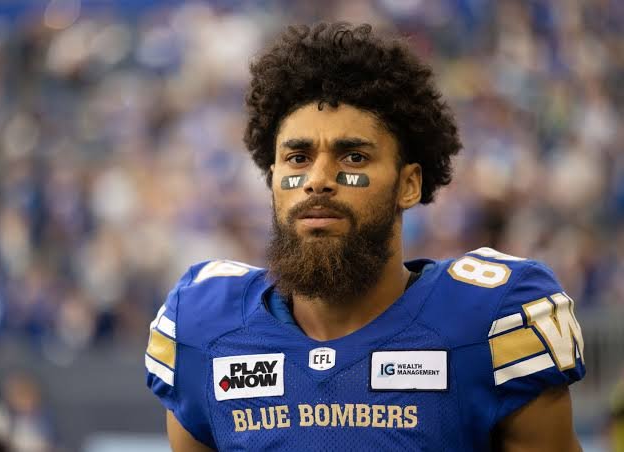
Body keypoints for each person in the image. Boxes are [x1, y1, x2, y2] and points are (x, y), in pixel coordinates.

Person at [144, 22, 585, 451]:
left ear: (408, 184)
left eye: (353, 157)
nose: (318, 180)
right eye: (298, 157)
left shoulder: (492, 320)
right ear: (272, 177)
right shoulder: (204, 327)